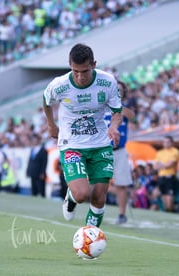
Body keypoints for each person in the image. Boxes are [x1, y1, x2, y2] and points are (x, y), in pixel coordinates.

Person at [43, 43, 123, 227]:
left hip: (100, 143)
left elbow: (117, 110)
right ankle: (71, 198)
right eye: (75, 71)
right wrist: (51, 124)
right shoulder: (59, 85)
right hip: (71, 144)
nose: (79, 76)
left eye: (84, 71)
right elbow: (46, 101)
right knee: (82, 194)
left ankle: (90, 236)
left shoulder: (107, 82)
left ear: (94, 64)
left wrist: (114, 126)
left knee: (99, 196)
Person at [105, 80, 135, 224]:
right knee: (96, 182)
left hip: (120, 150)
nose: (118, 92)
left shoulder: (124, 108)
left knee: (121, 183)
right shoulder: (101, 105)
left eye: (120, 90)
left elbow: (132, 116)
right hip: (102, 149)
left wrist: (117, 105)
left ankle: (122, 214)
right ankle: (96, 210)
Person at [154, 135, 179, 212]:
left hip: (170, 177)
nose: (166, 143)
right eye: (164, 142)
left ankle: (171, 210)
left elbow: (170, 164)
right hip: (161, 176)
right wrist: (164, 165)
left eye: (168, 142)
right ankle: (167, 210)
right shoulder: (160, 152)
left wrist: (162, 165)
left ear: (172, 143)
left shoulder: (175, 151)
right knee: (163, 195)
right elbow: (155, 166)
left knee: (169, 196)